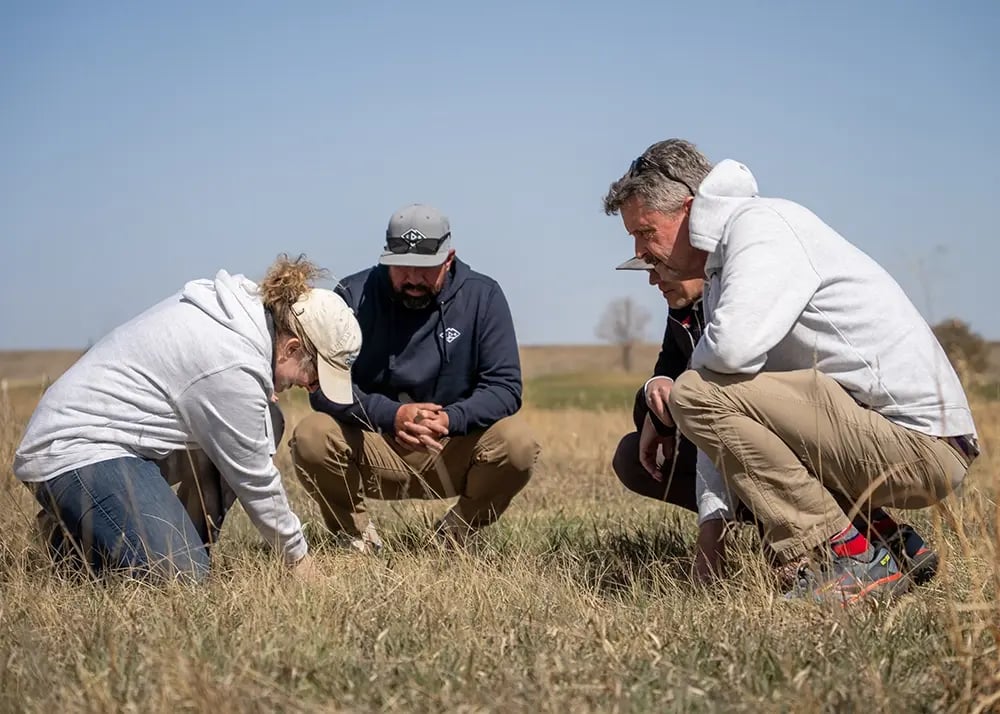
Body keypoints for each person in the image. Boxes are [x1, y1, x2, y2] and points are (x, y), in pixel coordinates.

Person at [603, 139, 979, 604]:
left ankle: (846, 556)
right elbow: (721, 415)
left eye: (646, 231)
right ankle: (884, 541)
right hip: (886, 438)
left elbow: (722, 365)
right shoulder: (723, 267)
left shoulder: (760, 227)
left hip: (921, 447)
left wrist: (675, 403)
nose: (641, 251)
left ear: (689, 208)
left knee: (694, 394)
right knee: (698, 396)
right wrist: (711, 530)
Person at [14, 255, 362, 582]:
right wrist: (298, 560)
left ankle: (180, 540)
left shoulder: (245, 320)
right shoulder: (231, 362)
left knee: (267, 420)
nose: (310, 387)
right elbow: (255, 478)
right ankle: (69, 541)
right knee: (182, 575)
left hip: (121, 447)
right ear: (291, 348)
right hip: (75, 451)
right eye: (315, 375)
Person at [291, 204, 539, 550]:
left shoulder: (483, 296)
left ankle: (454, 535)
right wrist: (390, 415)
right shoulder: (352, 296)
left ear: (449, 258)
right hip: (375, 441)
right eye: (401, 267)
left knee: (517, 443)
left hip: (450, 445)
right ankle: (356, 537)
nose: (412, 279)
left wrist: (451, 419)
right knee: (312, 436)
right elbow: (322, 387)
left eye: (425, 268)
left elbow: (505, 388)